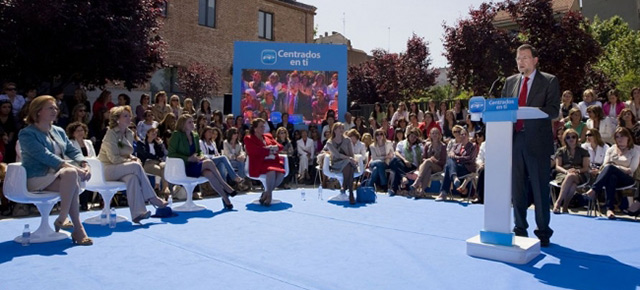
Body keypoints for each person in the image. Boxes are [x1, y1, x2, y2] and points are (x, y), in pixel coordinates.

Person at [501, 44, 559, 247]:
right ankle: (520, 229)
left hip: (537, 142)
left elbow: (553, 110)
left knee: (539, 187)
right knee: (517, 188)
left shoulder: (549, 81)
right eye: (518, 58)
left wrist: (532, 111)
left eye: (525, 57)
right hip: (515, 140)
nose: (521, 62)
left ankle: (543, 232)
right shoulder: (510, 83)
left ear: (535, 60)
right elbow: (502, 110)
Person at [19, 95, 92, 245]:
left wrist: (84, 163)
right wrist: (75, 169)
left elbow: (73, 150)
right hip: (37, 178)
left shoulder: (58, 131)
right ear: (38, 111)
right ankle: (66, 220)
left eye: (55, 108)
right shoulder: (27, 134)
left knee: (71, 179)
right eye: (50, 108)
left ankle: (74, 227)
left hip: (60, 176)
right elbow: (46, 157)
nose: (55, 110)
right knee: (72, 177)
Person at [98, 106, 168, 223]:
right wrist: (131, 162)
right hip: (107, 169)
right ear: (117, 119)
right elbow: (113, 158)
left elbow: (126, 153)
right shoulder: (111, 134)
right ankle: (153, 198)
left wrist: (133, 158)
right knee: (135, 166)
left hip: (121, 168)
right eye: (125, 116)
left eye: (129, 115)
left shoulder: (129, 133)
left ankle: (138, 214)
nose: (129, 118)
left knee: (132, 178)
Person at [168, 114, 236, 209]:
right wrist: (188, 158)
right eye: (190, 122)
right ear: (183, 124)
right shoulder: (177, 135)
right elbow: (171, 154)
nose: (193, 124)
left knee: (209, 174)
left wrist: (200, 156)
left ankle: (226, 199)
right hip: (183, 167)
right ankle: (225, 185)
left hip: (195, 164)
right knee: (209, 162)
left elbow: (199, 151)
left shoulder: (195, 135)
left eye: (193, 121)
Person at [584, 127, 640, 219]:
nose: (619, 139)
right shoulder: (611, 149)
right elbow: (605, 165)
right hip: (612, 177)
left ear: (628, 138)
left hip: (627, 179)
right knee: (611, 177)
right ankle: (610, 209)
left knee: (610, 168)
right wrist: (621, 168)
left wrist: (615, 166)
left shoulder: (634, 151)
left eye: (622, 136)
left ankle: (594, 190)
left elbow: (631, 170)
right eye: (617, 137)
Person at [244, 118, 286, 206]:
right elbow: (254, 151)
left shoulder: (268, 136)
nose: (263, 128)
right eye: (261, 127)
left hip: (272, 161)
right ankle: (269, 197)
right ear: (255, 128)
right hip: (259, 162)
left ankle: (266, 193)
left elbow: (280, 147)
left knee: (281, 173)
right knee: (271, 171)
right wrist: (269, 150)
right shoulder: (249, 138)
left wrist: (273, 148)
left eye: (264, 126)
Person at [552, 129, 590, 214]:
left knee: (571, 176)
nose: (571, 139)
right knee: (572, 184)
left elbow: (585, 168)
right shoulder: (561, 151)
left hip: (580, 174)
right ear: (565, 139)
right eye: (568, 137)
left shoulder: (583, 151)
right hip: (563, 173)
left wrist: (577, 170)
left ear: (577, 138)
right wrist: (566, 172)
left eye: (573, 137)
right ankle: (565, 206)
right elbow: (558, 166)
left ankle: (558, 203)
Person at [435, 127, 477, 201]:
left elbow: (470, 158)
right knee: (449, 163)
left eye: (465, 134)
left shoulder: (472, 146)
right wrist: (453, 156)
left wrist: (457, 158)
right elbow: (451, 154)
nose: (463, 136)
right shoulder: (456, 146)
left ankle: (443, 193)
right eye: (461, 134)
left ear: (468, 136)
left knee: (449, 166)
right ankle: (454, 178)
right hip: (456, 168)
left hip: (466, 168)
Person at [325, 122, 358, 204]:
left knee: (349, 165)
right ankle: (350, 192)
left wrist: (351, 158)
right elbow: (337, 155)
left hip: (348, 162)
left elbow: (351, 154)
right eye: (340, 128)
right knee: (348, 163)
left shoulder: (347, 140)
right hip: (337, 163)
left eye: (342, 128)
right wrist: (349, 158)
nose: (341, 130)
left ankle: (347, 189)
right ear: (335, 130)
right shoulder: (330, 142)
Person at [410, 127, 446, 195]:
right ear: (430, 135)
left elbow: (443, 162)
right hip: (427, 166)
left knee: (428, 162)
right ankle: (422, 191)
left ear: (439, 135)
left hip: (438, 167)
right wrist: (429, 160)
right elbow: (423, 158)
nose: (434, 135)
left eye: (436, 133)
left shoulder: (443, 146)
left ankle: (417, 182)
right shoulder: (427, 145)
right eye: (433, 133)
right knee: (428, 167)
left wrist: (433, 160)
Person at [135, 127, 170, 195]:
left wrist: (160, 144)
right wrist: (156, 157)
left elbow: (161, 154)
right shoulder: (141, 143)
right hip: (147, 163)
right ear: (147, 133)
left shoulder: (156, 144)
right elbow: (146, 155)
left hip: (158, 162)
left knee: (165, 166)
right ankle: (164, 188)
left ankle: (162, 188)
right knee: (162, 171)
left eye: (156, 132)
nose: (155, 134)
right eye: (152, 132)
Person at [388, 127, 423, 196]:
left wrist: (419, 167)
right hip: (402, 163)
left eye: (415, 137)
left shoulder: (419, 146)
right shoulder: (402, 143)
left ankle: (394, 189)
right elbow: (397, 153)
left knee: (396, 169)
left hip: (412, 166)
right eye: (412, 136)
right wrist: (404, 160)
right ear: (408, 135)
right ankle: (403, 177)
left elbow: (421, 158)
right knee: (395, 160)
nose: (413, 138)